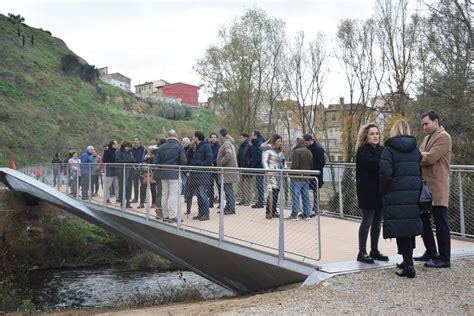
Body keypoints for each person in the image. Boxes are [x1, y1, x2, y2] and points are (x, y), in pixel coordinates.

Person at [380, 119, 423, 278]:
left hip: (395, 193)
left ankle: (409, 266)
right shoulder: (415, 149)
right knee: (409, 227)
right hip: (413, 193)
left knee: (400, 228)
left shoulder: (389, 150)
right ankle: (407, 260)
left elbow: (385, 174)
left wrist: (383, 190)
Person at [415, 110, 452, 268]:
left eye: (426, 123)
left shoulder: (444, 137)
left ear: (436, 121)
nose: (424, 127)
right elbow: (423, 155)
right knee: (423, 220)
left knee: (440, 222)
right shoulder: (426, 138)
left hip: (438, 186)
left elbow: (429, 158)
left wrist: (420, 154)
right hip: (426, 188)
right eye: (423, 124)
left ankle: (444, 258)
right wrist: (422, 154)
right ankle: (431, 252)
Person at [355, 123, 389, 264]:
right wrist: (385, 162)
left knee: (377, 223)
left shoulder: (382, 149)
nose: (375, 136)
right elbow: (375, 164)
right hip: (367, 192)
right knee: (367, 221)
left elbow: (384, 164)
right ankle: (361, 252)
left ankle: (374, 250)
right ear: (365, 136)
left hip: (380, 191)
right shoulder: (362, 151)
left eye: (377, 133)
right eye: (372, 134)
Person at [153, 130, 187, 222]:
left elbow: (156, 161)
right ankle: (172, 216)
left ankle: (166, 215)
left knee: (165, 194)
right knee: (173, 195)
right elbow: (183, 161)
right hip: (174, 173)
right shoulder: (179, 147)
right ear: (176, 136)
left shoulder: (161, 147)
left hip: (163, 173)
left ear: (168, 136)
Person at [288, 137, 313, 221]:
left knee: (295, 196)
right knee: (305, 196)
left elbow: (295, 165)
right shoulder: (309, 152)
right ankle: (307, 214)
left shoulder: (296, 152)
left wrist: (290, 172)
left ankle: (294, 214)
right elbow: (310, 164)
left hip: (297, 177)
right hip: (306, 177)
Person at [262, 134, 286, 219]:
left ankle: (273, 210)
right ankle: (269, 211)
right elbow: (264, 162)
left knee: (276, 193)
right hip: (270, 177)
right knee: (271, 193)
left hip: (279, 176)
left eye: (281, 141)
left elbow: (283, 162)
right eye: (278, 141)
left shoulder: (280, 152)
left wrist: (284, 169)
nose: (280, 143)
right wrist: (269, 171)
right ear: (274, 141)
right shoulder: (267, 151)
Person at [216, 128, 239, 214]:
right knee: (228, 190)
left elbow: (228, 155)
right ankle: (228, 207)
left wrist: (221, 163)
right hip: (228, 171)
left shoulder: (226, 144)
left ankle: (231, 209)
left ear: (222, 135)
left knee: (229, 191)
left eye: (219, 136)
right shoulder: (228, 143)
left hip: (227, 172)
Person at [191, 131, 213, 221]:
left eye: (194, 136)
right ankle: (201, 213)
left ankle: (206, 214)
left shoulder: (206, 146)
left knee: (202, 194)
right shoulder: (198, 147)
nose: (193, 138)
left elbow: (209, 158)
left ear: (197, 137)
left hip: (203, 174)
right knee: (199, 195)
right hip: (197, 174)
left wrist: (200, 165)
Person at [303, 134, 326, 216]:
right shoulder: (308, 149)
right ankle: (307, 209)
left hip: (316, 174)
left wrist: (313, 170)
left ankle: (315, 209)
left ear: (309, 141)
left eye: (306, 143)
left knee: (315, 191)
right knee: (306, 190)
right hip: (308, 174)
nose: (305, 144)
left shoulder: (318, 149)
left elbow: (322, 162)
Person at [115, 141, 135, 208]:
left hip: (129, 171)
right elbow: (118, 160)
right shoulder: (118, 152)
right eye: (127, 147)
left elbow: (133, 160)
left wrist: (130, 161)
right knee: (122, 187)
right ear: (123, 146)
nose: (128, 148)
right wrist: (127, 161)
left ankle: (128, 202)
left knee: (129, 187)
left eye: (129, 147)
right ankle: (122, 202)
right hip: (121, 171)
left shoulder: (130, 152)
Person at [248, 131, 265, 208]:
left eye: (252, 135)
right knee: (258, 185)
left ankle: (261, 201)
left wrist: (252, 165)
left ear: (256, 136)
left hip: (259, 167)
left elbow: (258, 157)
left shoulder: (259, 144)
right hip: (257, 166)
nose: (251, 136)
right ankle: (259, 200)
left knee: (259, 185)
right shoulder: (255, 144)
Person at [236, 132, 252, 206]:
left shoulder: (249, 146)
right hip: (240, 167)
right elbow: (238, 155)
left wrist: (248, 164)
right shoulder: (241, 146)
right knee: (241, 184)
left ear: (246, 138)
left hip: (247, 167)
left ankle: (247, 200)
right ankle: (242, 199)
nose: (240, 139)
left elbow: (251, 157)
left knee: (247, 185)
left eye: (241, 137)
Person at [208, 132, 221, 207]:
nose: (213, 138)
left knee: (219, 185)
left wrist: (213, 162)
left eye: (215, 137)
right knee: (210, 185)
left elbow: (219, 157)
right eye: (212, 137)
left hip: (217, 168)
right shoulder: (208, 146)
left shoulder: (219, 146)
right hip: (210, 168)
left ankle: (220, 202)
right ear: (210, 138)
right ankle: (211, 202)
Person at [131, 136, 146, 203]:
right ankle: (136, 198)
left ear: (139, 141)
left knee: (143, 185)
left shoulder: (143, 149)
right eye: (134, 140)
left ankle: (143, 199)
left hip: (142, 169)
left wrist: (142, 165)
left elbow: (146, 158)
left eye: (136, 140)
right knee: (135, 185)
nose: (135, 142)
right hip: (134, 169)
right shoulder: (132, 149)